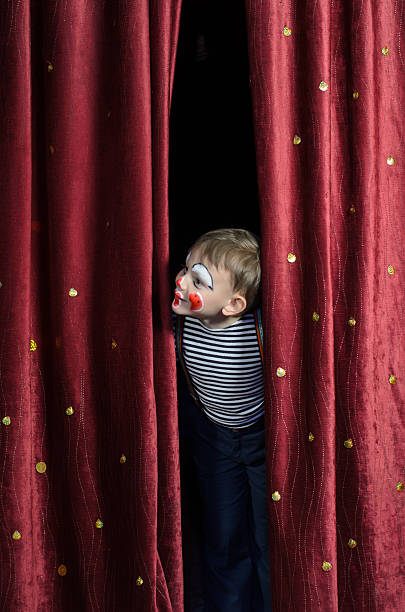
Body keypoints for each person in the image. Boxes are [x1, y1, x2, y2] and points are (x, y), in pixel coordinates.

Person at [172, 228, 272, 611]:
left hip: (262, 438)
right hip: (214, 439)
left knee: (267, 534)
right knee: (224, 532)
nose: (181, 281)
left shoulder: (258, 331)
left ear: (233, 304)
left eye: (199, 280)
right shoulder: (181, 323)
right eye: (185, 268)